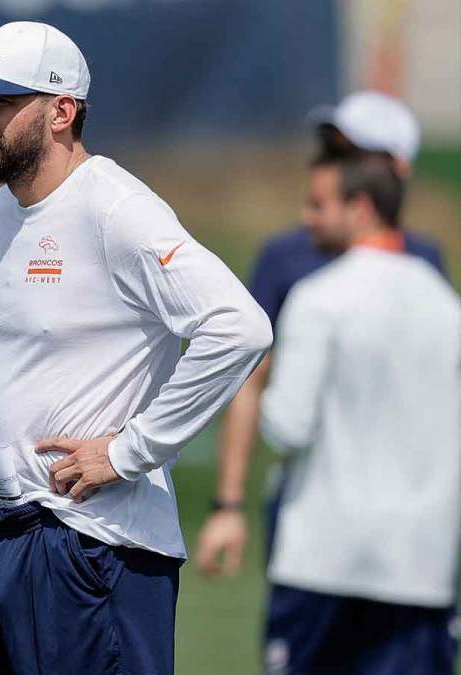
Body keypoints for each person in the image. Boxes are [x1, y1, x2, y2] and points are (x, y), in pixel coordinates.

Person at [0, 21, 272, 674]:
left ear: (62, 111)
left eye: (0, 102)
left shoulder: (114, 207)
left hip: (95, 550)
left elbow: (240, 327)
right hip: (9, 539)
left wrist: (128, 450)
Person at [195, 91, 448, 577]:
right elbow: (253, 381)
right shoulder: (286, 256)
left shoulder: (424, 263)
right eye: (330, 152)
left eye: (349, 155)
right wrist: (228, 505)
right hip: (311, 510)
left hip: (409, 520)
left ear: (394, 171)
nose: (331, 167)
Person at [258, 153, 461, 674]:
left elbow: (287, 426)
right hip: (420, 565)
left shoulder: (319, 297)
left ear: (362, 207)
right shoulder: (448, 307)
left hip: (323, 562)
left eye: (319, 203)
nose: (306, 217)